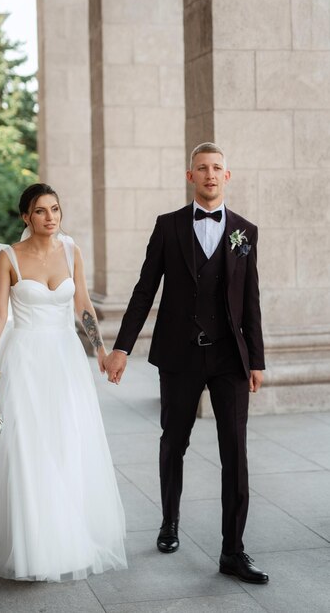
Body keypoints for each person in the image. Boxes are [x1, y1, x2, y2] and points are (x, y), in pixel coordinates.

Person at [104, 142, 269, 584]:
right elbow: (144, 290)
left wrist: (257, 359)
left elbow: (249, 299)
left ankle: (232, 550)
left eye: (217, 168)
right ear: (189, 176)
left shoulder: (244, 232)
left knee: (236, 453)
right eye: (202, 168)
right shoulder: (168, 226)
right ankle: (169, 523)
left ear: (227, 176)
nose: (210, 174)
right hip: (179, 356)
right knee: (173, 440)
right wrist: (121, 347)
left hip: (230, 359)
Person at [0, 183, 127, 581]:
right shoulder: (8, 258)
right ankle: (28, 539)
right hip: (25, 358)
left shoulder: (72, 251)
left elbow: (82, 304)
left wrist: (99, 349)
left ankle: (66, 530)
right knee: (27, 444)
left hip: (65, 360)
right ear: (26, 217)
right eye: (41, 211)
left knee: (65, 440)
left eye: (56, 209)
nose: (51, 217)